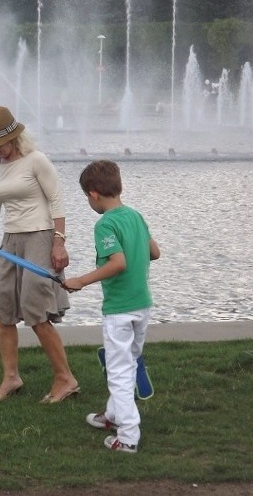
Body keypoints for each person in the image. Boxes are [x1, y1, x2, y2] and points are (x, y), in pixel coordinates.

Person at [0, 105, 79, 404]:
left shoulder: (37, 161)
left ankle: (65, 378)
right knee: (2, 304)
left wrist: (59, 242)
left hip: (40, 236)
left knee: (35, 310)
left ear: (13, 139)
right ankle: (11, 377)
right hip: (10, 239)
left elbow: (57, 201)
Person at [61, 160, 161, 453]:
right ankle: (114, 415)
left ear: (93, 195)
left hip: (119, 308)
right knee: (128, 363)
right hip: (142, 304)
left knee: (118, 371)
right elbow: (155, 252)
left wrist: (81, 280)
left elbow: (118, 263)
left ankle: (128, 436)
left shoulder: (105, 223)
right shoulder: (136, 216)